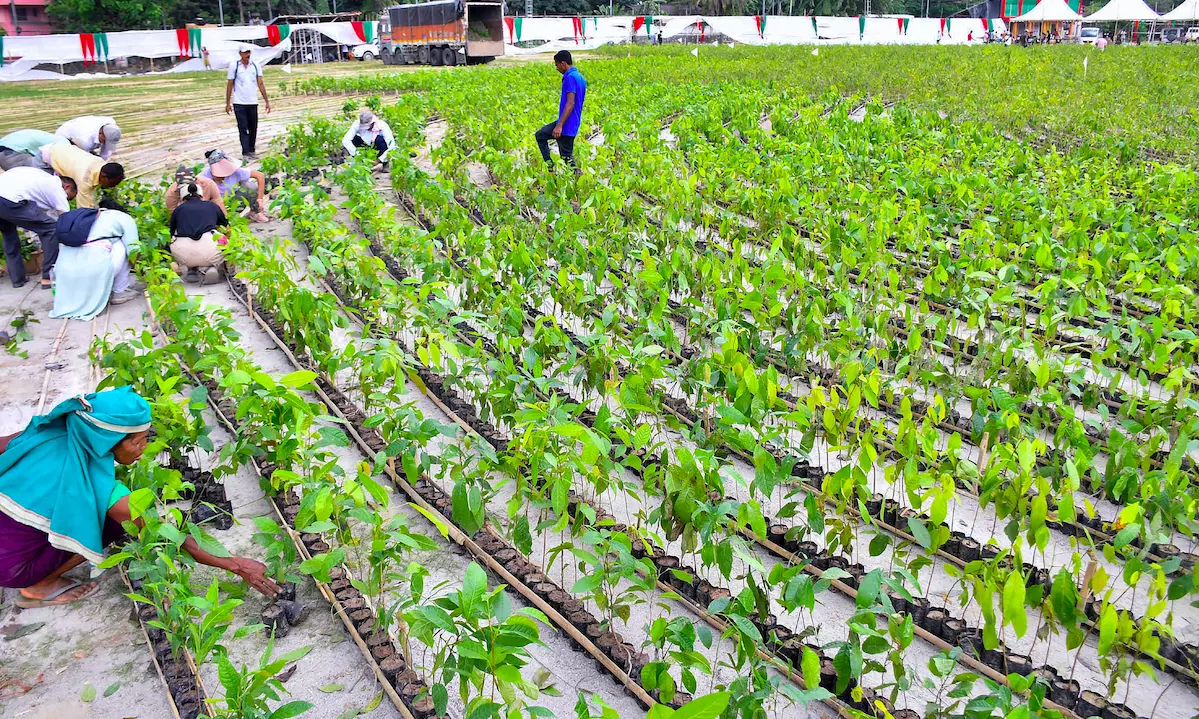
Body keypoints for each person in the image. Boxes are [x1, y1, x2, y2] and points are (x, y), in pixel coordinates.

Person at [0, 387, 280, 607]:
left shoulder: (46, 434)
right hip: (12, 569)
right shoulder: (103, 489)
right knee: (116, 522)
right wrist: (236, 564)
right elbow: (166, 533)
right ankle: (37, 586)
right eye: (137, 440)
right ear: (108, 440)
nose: (143, 448)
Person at [50, 208, 144, 318]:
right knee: (121, 244)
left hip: (64, 273)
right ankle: (119, 291)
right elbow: (133, 251)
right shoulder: (123, 218)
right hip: (95, 270)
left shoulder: (81, 218)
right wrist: (141, 271)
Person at [0, 168, 75, 290]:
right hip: (11, 200)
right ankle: (48, 277)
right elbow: (65, 219)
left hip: (4, 195)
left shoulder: (41, 180)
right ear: (66, 187)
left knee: (9, 236)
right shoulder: (55, 185)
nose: (65, 199)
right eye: (68, 197)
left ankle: (17, 279)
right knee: (51, 230)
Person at [535, 50, 586, 173]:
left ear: (563, 63)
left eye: (557, 65)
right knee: (541, 135)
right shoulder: (580, 77)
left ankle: (558, 172)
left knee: (567, 158)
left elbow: (570, 103)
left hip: (567, 125)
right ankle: (554, 169)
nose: (557, 68)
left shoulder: (570, 78)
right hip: (571, 122)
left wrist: (559, 125)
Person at [169, 181, 229, 285]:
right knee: (222, 238)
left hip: (184, 255)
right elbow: (226, 227)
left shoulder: (178, 210)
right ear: (201, 196)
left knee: (178, 239)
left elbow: (171, 233)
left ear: (183, 199)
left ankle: (191, 270)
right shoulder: (211, 206)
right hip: (210, 251)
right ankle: (212, 267)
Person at [225, 45, 271, 160]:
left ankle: (252, 150)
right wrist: (227, 102)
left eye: (249, 52)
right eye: (245, 53)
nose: (247, 55)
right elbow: (230, 84)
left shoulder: (255, 66)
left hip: (252, 102)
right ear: (240, 53)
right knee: (242, 127)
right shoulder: (234, 66)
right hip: (239, 102)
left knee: (253, 127)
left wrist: (266, 101)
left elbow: (260, 83)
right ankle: (245, 152)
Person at [45, 143, 124, 209]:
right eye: (112, 184)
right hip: (48, 157)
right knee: (47, 202)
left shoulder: (101, 164)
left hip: (62, 151)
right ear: (104, 176)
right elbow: (83, 209)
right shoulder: (84, 180)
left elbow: (89, 198)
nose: (113, 187)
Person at [200, 149, 269, 223]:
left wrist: (260, 199)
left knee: (250, 187)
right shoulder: (203, 178)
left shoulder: (235, 172)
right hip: (215, 207)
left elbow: (260, 175)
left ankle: (255, 212)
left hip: (233, 204)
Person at [55, 116, 122, 160]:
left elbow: (106, 152)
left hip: (83, 126)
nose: (106, 144)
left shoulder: (111, 125)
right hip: (65, 136)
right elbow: (84, 158)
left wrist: (102, 161)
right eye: (105, 141)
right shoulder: (85, 140)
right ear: (101, 134)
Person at [0, 129, 67, 171]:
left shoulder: (57, 138)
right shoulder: (65, 145)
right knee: (38, 174)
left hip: (7, 146)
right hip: (9, 151)